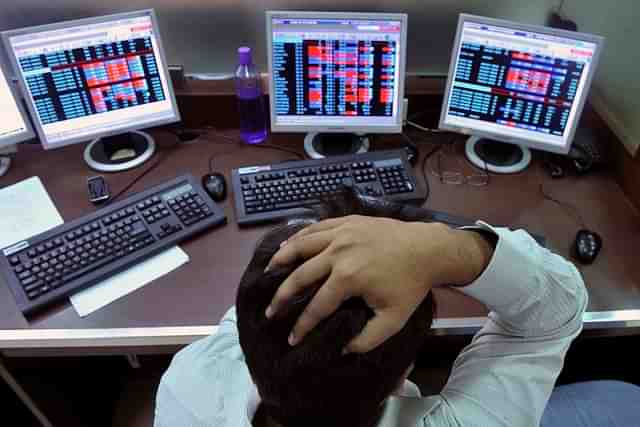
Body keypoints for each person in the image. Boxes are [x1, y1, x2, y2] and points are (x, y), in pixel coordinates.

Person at [154, 189, 638, 427]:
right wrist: (438, 248)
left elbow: (252, 315)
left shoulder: (188, 381)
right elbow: (554, 311)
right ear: (406, 369)